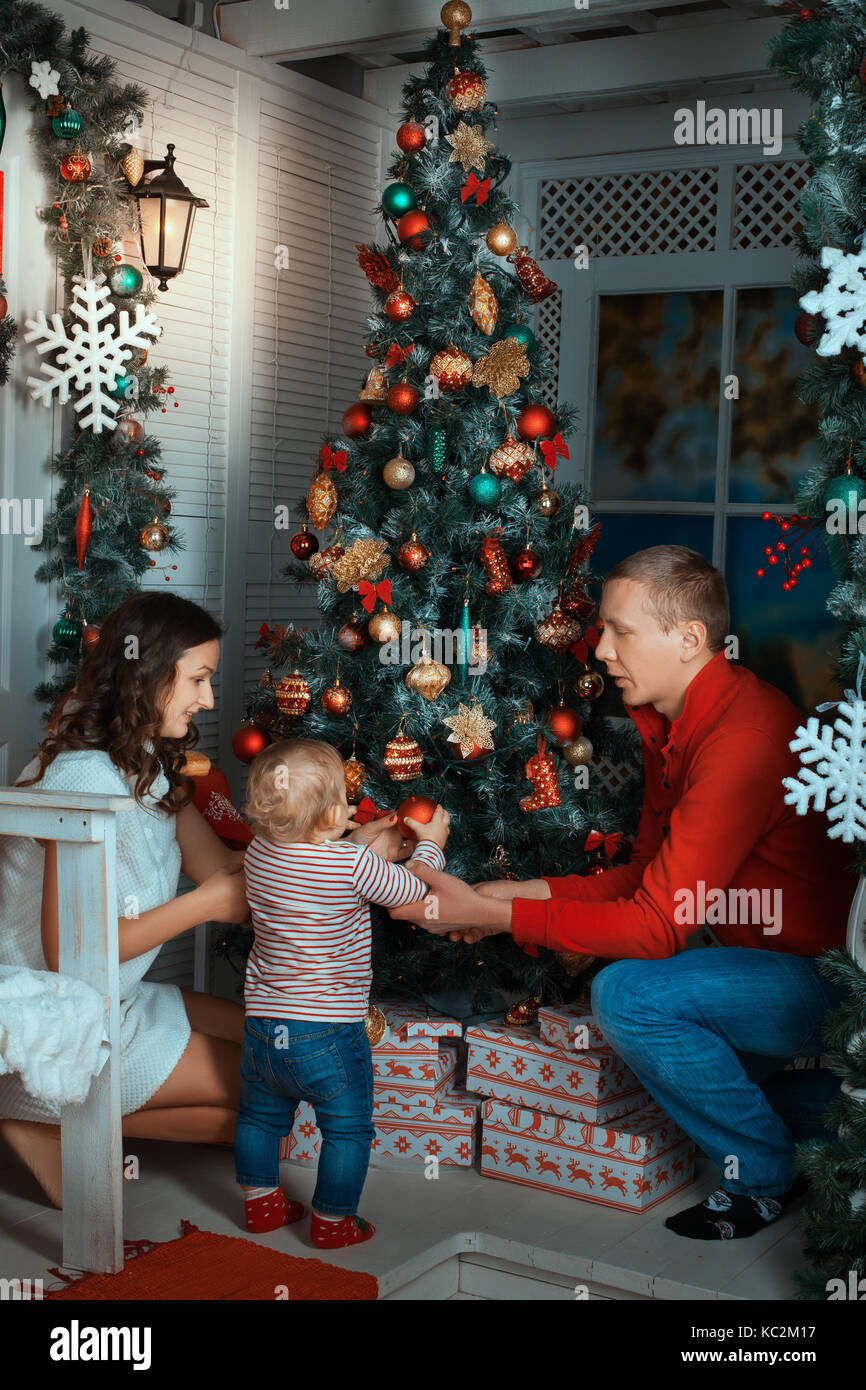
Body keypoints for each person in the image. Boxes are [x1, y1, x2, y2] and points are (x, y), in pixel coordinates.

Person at [387, 545, 854, 1242]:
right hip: (759, 966)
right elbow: (645, 877)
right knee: (664, 1084)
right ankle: (828, 1120)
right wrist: (515, 893)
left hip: (826, 985)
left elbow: (657, 928)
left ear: (689, 639)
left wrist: (494, 913)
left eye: (621, 631)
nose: (600, 649)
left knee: (629, 998)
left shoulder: (742, 738)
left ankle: (762, 1174)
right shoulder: (678, 721)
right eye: (602, 629)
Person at [0, 592, 402, 1210]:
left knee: (280, 1069)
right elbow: (71, 957)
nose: (209, 700)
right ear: (147, 673)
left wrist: (339, 851)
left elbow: (233, 876)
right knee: (259, 1103)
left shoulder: (145, 769)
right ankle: (41, 1110)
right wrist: (206, 903)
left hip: (116, 994)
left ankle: (63, 1118)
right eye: (198, 679)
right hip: (55, 1019)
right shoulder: (84, 779)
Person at [234, 737, 449, 1248]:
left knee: (259, 1119)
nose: (353, 808)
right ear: (333, 813)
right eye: (344, 801)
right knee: (348, 1129)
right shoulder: (353, 868)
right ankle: (332, 1223)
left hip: (266, 1026)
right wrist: (431, 845)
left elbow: (312, 864)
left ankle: (262, 1207)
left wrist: (344, 834)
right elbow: (412, 890)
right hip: (328, 1029)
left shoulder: (259, 854)